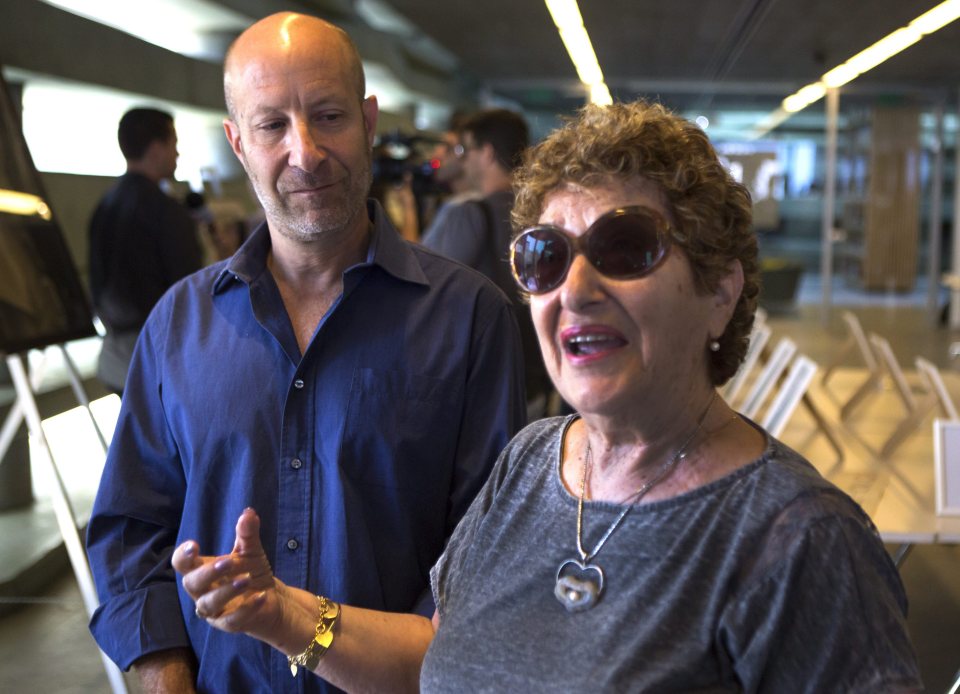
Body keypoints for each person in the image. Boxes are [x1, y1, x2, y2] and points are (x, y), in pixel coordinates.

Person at [172, 100, 923, 692]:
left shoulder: (798, 539)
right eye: (546, 257)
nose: (578, 289)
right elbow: (436, 655)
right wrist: (284, 614)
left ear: (720, 293)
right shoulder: (534, 460)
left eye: (625, 250)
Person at [86, 12, 525, 693]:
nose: (307, 151)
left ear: (369, 119)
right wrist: (161, 670)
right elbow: (128, 526)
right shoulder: (179, 323)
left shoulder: (469, 318)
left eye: (328, 116)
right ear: (237, 141)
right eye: (272, 126)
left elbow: (488, 550)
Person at [422, 109, 552, 416]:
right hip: (534, 378)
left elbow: (427, 294)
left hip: (482, 386)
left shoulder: (467, 214)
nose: (463, 160)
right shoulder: (544, 214)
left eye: (466, 150)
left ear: (487, 153)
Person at [88, 107, 203, 394]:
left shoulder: (103, 207)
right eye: (173, 144)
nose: (178, 154)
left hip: (114, 358)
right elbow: (188, 289)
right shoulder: (165, 211)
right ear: (156, 149)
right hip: (158, 358)